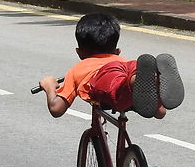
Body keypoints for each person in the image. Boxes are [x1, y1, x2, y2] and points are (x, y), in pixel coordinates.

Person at [37, 12, 184, 119]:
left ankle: (137, 81)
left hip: (106, 79)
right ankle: (152, 81)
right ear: (117, 50)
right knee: (130, 74)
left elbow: (56, 109)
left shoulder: (79, 68)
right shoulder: (121, 59)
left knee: (113, 83)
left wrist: (49, 86)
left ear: (79, 53)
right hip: (128, 67)